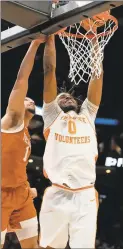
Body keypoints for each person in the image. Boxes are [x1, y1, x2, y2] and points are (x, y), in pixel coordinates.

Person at [39, 30, 103, 248]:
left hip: (85, 194)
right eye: (60, 97)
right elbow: (49, 71)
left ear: (77, 102)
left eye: (68, 95)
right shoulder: (52, 116)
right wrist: (50, 36)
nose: (64, 96)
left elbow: (96, 75)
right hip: (57, 191)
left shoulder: (88, 115)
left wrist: (94, 42)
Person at [1, 35, 46, 248]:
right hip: (1, 195)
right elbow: (21, 80)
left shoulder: (27, 131)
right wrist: (35, 43)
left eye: (31, 100)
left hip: (22, 193)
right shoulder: (12, 121)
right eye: (26, 98)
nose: (29, 99)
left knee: (32, 246)